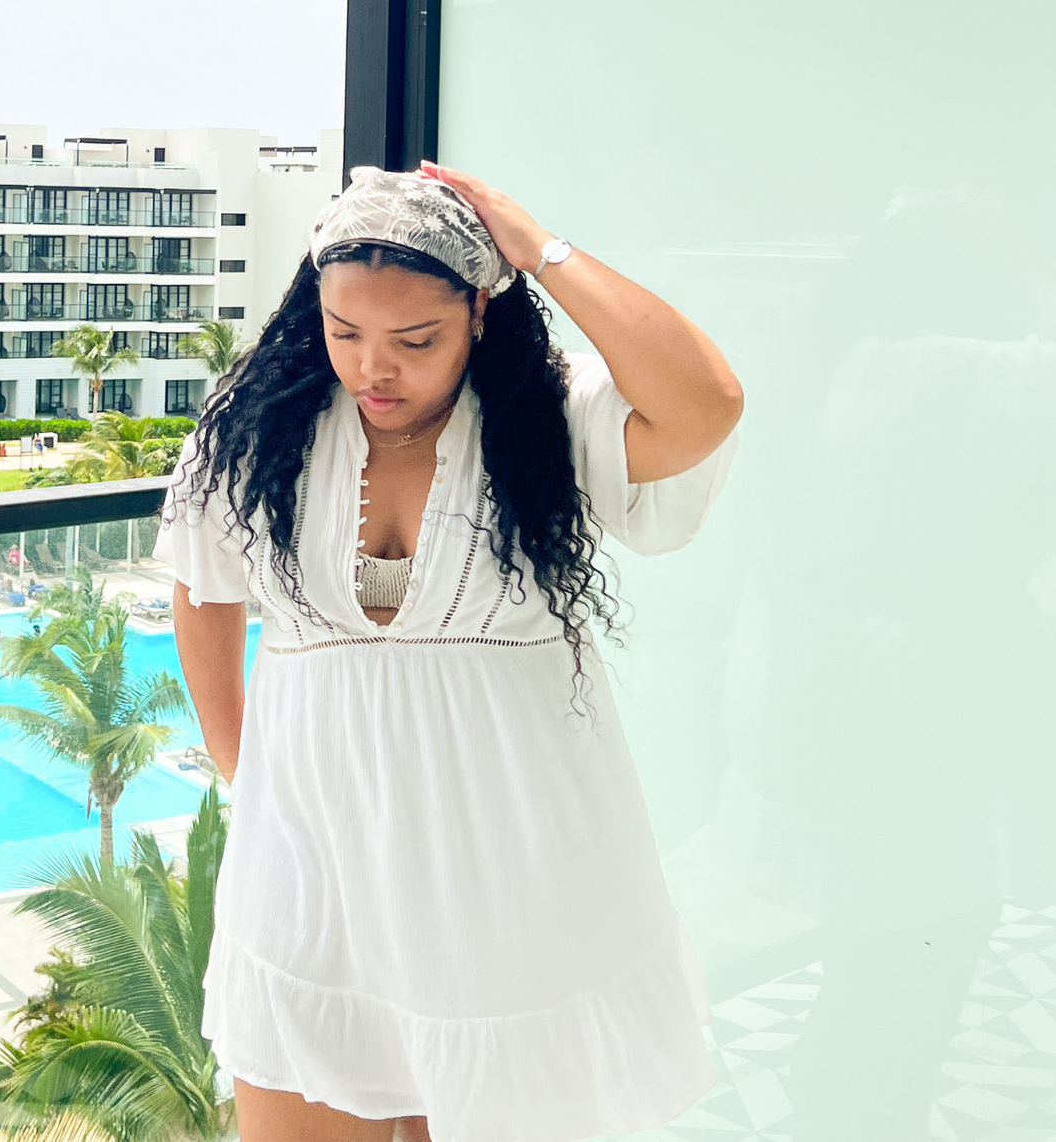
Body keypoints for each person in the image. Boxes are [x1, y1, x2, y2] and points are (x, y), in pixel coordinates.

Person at [156, 163, 743, 1142]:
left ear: (477, 309)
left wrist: (538, 247)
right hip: (312, 865)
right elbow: (201, 584)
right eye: (344, 330)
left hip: (510, 878)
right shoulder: (261, 424)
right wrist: (241, 770)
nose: (372, 368)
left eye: (414, 339)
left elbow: (705, 403)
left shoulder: (548, 416)